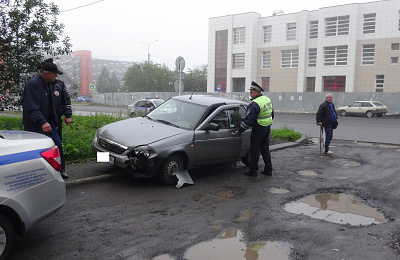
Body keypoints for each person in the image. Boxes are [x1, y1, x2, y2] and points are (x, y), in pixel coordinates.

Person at [22, 59, 68, 179]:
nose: (56, 76)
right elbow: (31, 107)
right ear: (47, 74)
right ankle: (36, 174)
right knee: (36, 149)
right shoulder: (33, 84)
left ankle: (61, 170)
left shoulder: (50, 84)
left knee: (57, 145)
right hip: (35, 125)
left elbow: (56, 102)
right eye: (55, 73)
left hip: (50, 124)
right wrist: (42, 122)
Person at [234, 81, 274, 177]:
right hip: (267, 128)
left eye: (251, 92)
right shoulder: (267, 99)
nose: (250, 94)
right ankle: (268, 169)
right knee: (265, 150)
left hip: (258, 129)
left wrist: (239, 130)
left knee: (254, 150)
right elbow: (271, 115)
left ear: (257, 92)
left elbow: (249, 121)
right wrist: (268, 125)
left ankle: (253, 171)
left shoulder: (254, 104)